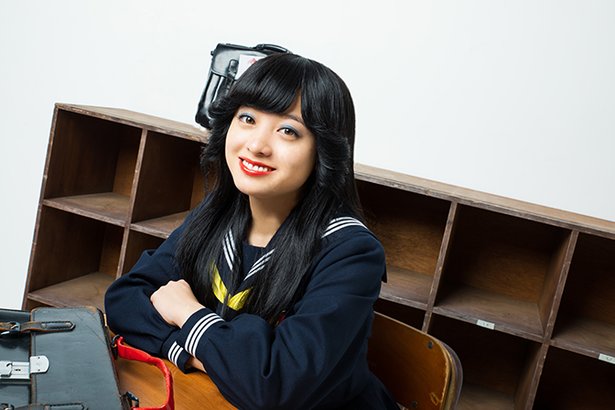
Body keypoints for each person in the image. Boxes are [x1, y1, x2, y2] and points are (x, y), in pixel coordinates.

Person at [105, 52, 399, 409]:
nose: (257, 146)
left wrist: (187, 313)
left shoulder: (350, 252)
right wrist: (198, 354)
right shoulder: (218, 215)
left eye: (288, 131)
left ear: (323, 150)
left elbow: (276, 387)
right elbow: (125, 299)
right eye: (247, 118)